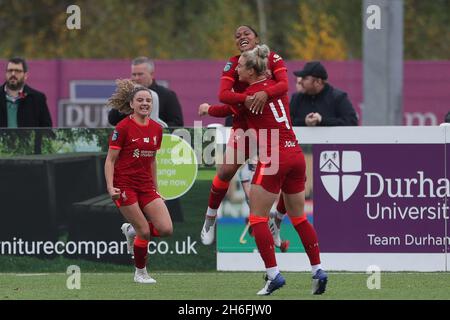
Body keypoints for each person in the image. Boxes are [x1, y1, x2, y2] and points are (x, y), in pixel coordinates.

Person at [236, 44, 327, 296]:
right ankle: (318, 269)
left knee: (257, 218)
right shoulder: (278, 88)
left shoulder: (251, 96)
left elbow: (225, 104)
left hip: (273, 157)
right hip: (295, 154)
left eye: (241, 66)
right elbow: (281, 82)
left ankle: (274, 275)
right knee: (299, 218)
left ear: (252, 71)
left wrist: (207, 109)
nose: (236, 69)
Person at [200, 25, 289, 246]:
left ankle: (276, 224)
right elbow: (223, 96)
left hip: (273, 127)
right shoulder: (233, 63)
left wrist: (263, 93)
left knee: (289, 178)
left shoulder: (273, 57)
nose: (242, 37)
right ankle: (209, 219)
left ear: (256, 37)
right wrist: (246, 99)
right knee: (226, 170)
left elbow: (284, 85)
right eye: (237, 35)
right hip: (244, 123)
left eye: (246, 33)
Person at [104, 79, 173, 284]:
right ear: (132, 104)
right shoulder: (123, 127)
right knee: (145, 230)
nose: (145, 103)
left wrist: (157, 189)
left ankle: (130, 230)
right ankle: (140, 273)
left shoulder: (156, 129)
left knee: (166, 229)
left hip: (145, 186)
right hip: (124, 185)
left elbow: (152, 160)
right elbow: (110, 160)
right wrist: (110, 186)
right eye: (140, 100)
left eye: (148, 101)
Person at [108, 56, 184, 127]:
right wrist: (124, 99)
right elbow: (112, 120)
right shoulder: (128, 95)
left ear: (152, 74)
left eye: (140, 74)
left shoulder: (168, 95)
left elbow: (177, 124)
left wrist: (154, 129)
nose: (136, 78)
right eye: (134, 74)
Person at [290, 61, 358, 126]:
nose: (301, 82)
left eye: (305, 78)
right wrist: (304, 122)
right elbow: (285, 122)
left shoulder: (338, 97)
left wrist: (322, 121)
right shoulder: (296, 98)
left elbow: (352, 121)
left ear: (318, 82)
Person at [0, 57, 52, 127]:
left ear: (25, 75)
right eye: (10, 70)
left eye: (17, 71)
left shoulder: (37, 99)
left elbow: (47, 130)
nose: (13, 74)